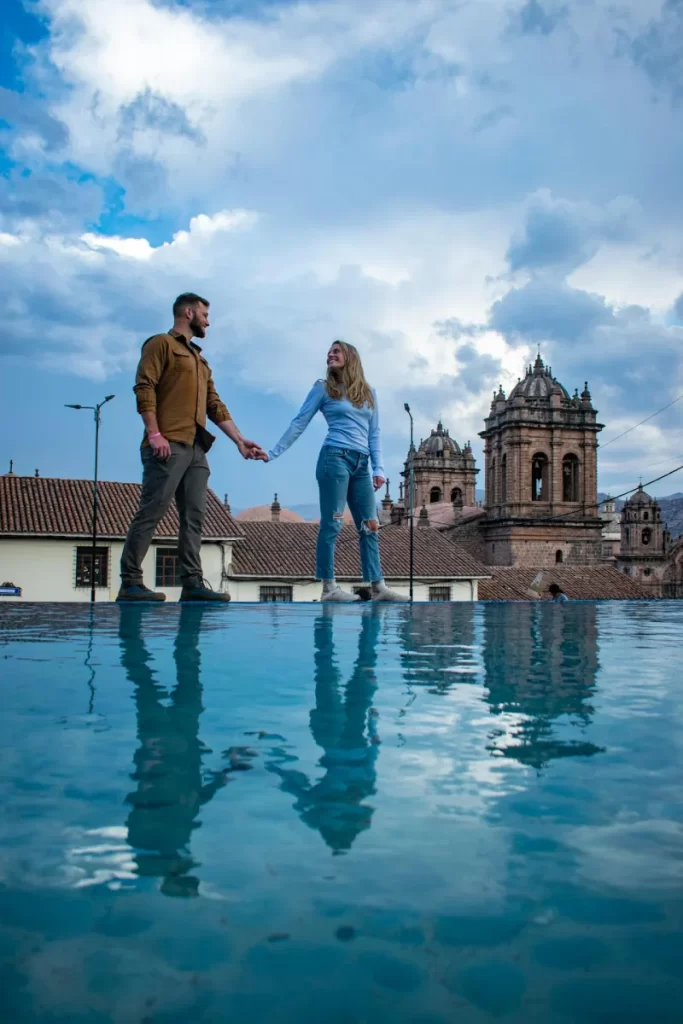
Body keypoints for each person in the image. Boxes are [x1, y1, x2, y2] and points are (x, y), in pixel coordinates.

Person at [117, 293, 265, 603]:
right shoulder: (160, 344)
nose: (208, 321)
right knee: (152, 511)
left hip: (197, 448)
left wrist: (240, 441)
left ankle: (192, 583)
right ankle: (130, 582)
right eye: (205, 314)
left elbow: (214, 405)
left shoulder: (200, 360)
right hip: (167, 443)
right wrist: (154, 433)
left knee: (195, 516)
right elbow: (144, 387)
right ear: (188, 312)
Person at [263, 340, 408, 602]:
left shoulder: (369, 393)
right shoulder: (322, 388)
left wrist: (379, 469)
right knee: (333, 523)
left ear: (350, 357)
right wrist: (273, 453)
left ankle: (378, 587)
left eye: (336, 351)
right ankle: (329, 588)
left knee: (370, 525)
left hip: (361, 465)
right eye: (329, 351)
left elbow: (374, 433)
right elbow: (300, 422)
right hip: (334, 460)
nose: (330, 354)